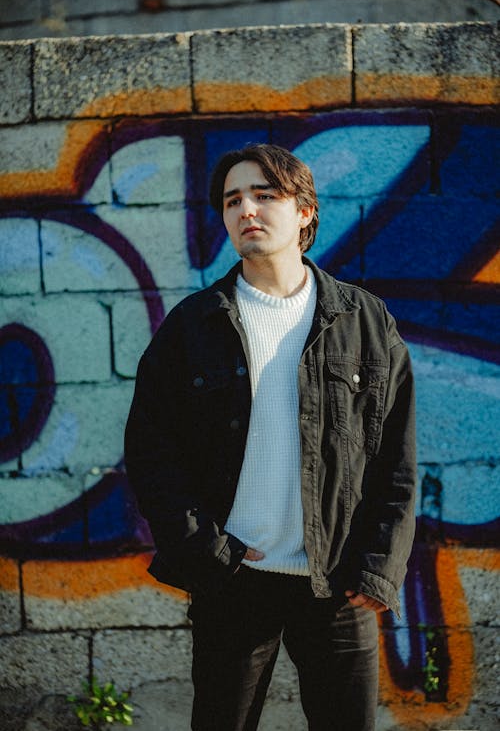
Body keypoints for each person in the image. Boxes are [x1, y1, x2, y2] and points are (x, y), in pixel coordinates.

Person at [124, 144, 417, 731]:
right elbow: (151, 453)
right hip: (234, 580)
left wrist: (379, 566)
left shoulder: (364, 320)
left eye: (265, 195)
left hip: (335, 584)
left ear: (305, 211)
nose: (247, 209)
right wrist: (205, 552)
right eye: (234, 200)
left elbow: (396, 458)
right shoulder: (193, 325)